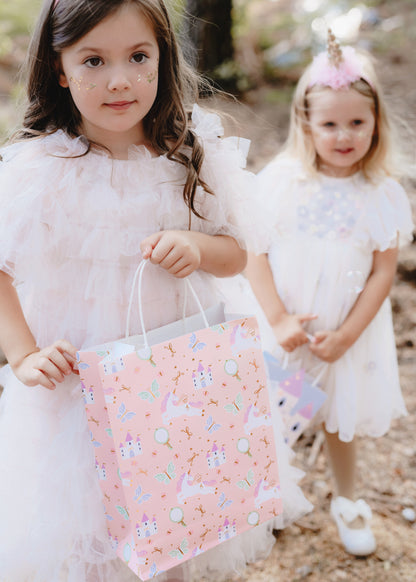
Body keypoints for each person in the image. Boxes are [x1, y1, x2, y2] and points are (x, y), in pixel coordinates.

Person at [0, 1, 311, 581]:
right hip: (79, 392)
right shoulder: (39, 169)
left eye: (138, 56)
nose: (119, 80)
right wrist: (22, 352)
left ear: (163, 58)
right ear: (60, 68)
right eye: (93, 60)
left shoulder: (189, 152)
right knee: (89, 533)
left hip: (179, 388)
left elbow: (238, 252)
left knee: (174, 521)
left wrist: (197, 248)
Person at [245, 31, 414, 557]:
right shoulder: (283, 181)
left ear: (376, 123)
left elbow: (383, 273)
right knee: (276, 414)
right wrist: (278, 319)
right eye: (331, 124)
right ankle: (267, 501)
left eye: (357, 123)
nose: (345, 135)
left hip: (348, 331)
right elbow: (255, 253)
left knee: (341, 420)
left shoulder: (382, 191)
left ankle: (347, 501)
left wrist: (345, 335)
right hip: (288, 328)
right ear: (306, 124)